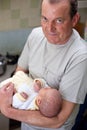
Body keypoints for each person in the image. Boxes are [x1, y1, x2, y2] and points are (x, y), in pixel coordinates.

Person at [0, 0, 87, 130]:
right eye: (45, 18)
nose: (49, 28)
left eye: (58, 21)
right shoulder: (36, 35)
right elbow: (20, 71)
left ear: (74, 20)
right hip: (27, 123)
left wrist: (7, 110)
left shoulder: (80, 56)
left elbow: (58, 120)